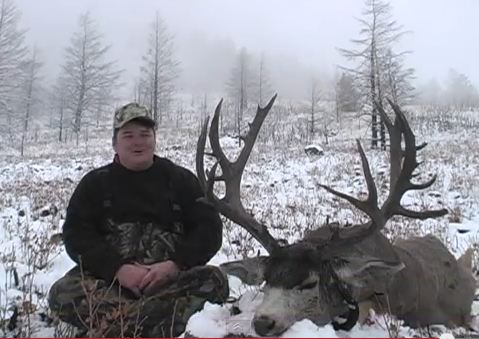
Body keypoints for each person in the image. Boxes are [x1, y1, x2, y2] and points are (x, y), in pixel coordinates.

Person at [48, 103, 229, 337]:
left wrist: (175, 265)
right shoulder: (95, 183)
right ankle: (159, 324)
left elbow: (209, 229)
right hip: (111, 286)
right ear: (115, 143)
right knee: (62, 293)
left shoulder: (181, 180)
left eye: (145, 135)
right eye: (128, 135)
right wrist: (116, 268)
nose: (138, 142)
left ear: (155, 139)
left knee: (216, 281)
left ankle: (120, 325)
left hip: (171, 284)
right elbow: (76, 235)